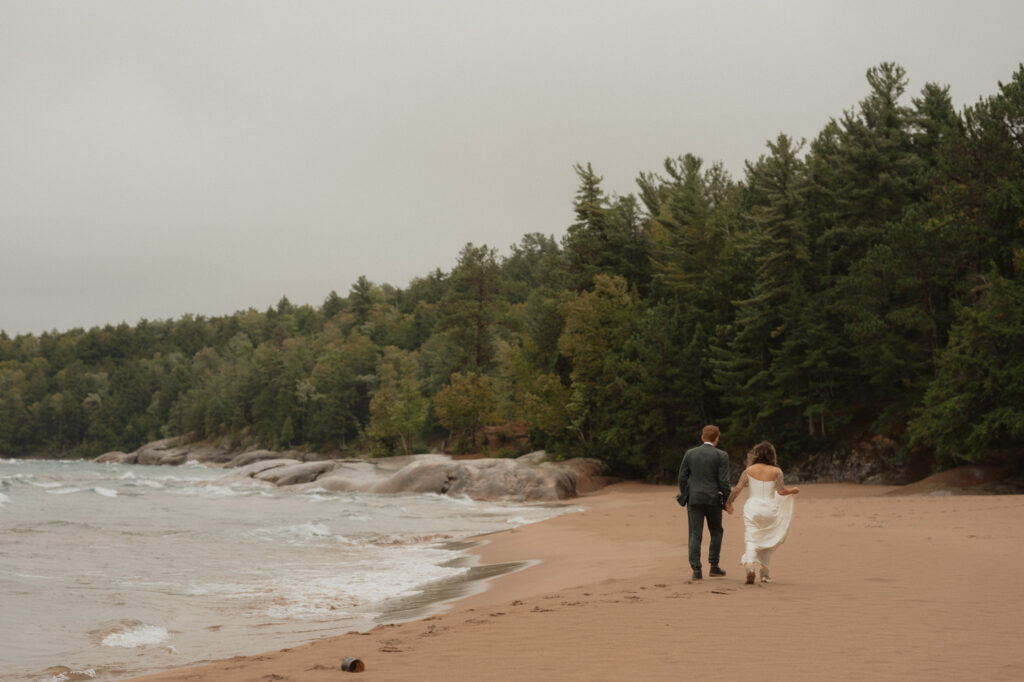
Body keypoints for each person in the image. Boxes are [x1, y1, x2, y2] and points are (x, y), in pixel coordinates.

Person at [726, 440, 800, 584]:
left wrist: (729, 502)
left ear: (756, 455)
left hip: (752, 508)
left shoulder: (749, 470)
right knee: (768, 539)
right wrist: (793, 490)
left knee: (751, 538)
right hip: (770, 510)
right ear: (772, 455)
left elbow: (737, 489)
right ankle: (765, 574)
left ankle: (750, 566)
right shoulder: (777, 471)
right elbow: (781, 491)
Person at [677, 425, 733, 580]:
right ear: (717, 439)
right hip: (713, 499)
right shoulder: (722, 455)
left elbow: (682, 478)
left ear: (702, 438)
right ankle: (714, 566)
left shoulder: (690, 453)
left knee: (695, 534)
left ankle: (696, 569)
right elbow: (723, 481)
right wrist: (728, 500)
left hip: (694, 499)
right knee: (716, 531)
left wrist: (685, 494)